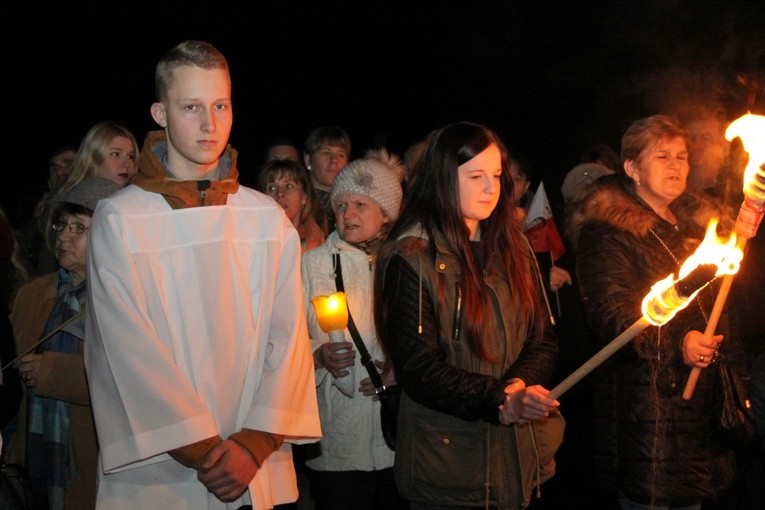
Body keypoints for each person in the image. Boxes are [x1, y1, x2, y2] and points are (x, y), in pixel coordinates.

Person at [84, 40, 321, 510]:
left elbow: (290, 338)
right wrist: (205, 451)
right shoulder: (121, 220)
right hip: (161, 471)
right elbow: (126, 351)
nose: (210, 124)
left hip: (255, 462)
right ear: (160, 112)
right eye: (191, 107)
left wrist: (253, 443)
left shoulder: (266, 218)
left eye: (220, 105)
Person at [374, 121, 562, 509]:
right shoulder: (412, 255)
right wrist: (501, 398)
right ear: (443, 177)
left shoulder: (514, 246)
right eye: (476, 176)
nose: (492, 188)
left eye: (496, 175)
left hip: (515, 457)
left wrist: (520, 388)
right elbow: (420, 369)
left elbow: (542, 338)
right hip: (448, 465)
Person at [567, 114, 744, 508]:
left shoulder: (699, 227)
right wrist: (679, 342)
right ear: (632, 168)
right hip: (647, 410)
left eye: (681, 156)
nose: (676, 165)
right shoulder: (607, 231)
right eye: (662, 156)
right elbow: (613, 318)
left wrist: (733, 372)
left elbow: (722, 312)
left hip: (699, 408)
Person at [301, 148, 407, 510]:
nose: (348, 214)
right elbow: (286, 339)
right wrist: (318, 355)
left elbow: (429, 337)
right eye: (341, 205)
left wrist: (400, 370)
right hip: (337, 442)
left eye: (360, 204)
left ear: (387, 213)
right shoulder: (312, 265)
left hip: (398, 443)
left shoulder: (405, 262)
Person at [6, 177, 121, 509]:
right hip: (33, 465)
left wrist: (52, 372)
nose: (64, 235)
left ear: (107, 237)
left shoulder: (122, 300)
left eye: (79, 227)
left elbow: (127, 383)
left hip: (97, 468)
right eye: (62, 225)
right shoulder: (31, 294)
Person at [16, 146, 77, 277]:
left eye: (69, 164)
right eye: (54, 168)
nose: (60, 172)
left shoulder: (95, 207)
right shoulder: (37, 209)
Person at [259, 158, 324, 253]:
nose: (280, 193)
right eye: (272, 188)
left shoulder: (320, 249)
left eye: (288, 186)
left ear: (304, 197)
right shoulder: (252, 240)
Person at [57, 121, 139, 196]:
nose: (127, 163)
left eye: (131, 156)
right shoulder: (82, 200)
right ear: (93, 157)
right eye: (115, 154)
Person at [302, 126, 351, 236]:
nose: (334, 160)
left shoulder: (353, 203)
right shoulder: (299, 204)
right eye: (326, 153)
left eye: (341, 155)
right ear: (308, 160)